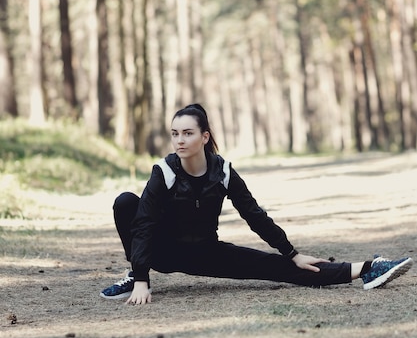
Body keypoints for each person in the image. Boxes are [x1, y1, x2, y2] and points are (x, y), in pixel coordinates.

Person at [100, 103, 413, 305]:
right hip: (163, 251)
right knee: (126, 203)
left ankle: (369, 269)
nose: (179, 140)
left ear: (205, 137)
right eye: (174, 134)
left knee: (283, 269)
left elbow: (254, 214)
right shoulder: (164, 172)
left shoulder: (222, 172)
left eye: (187, 133)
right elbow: (143, 226)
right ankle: (132, 275)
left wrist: (291, 252)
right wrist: (141, 277)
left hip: (207, 252)